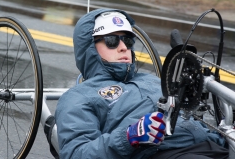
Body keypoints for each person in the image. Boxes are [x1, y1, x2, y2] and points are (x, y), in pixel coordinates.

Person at [55, 8, 229, 159]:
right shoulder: (78, 97)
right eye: (111, 41)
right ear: (90, 48)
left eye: (128, 40)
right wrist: (130, 136)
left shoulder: (150, 79)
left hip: (212, 144)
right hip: (164, 153)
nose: (123, 47)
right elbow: (76, 153)